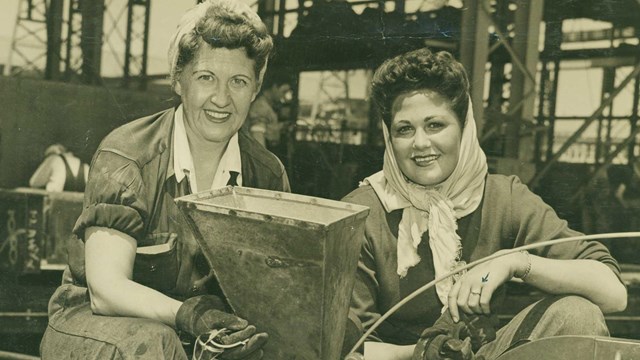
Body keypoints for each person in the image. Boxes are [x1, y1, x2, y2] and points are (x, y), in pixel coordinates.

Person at [40, 1, 290, 359]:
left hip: (197, 337)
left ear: (256, 87)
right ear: (178, 79)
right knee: (156, 341)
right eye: (206, 77)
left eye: (238, 81)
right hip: (93, 327)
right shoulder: (127, 156)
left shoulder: (267, 174)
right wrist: (190, 315)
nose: (221, 98)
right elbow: (106, 290)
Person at [341, 48, 627, 360]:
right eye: (404, 129)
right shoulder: (361, 213)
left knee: (576, 313)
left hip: (484, 355)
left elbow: (613, 294)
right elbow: (348, 345)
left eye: (435, 125)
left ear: (464, 128)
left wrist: (516, 262)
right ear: (389, 137)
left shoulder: (503, 198)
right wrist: (429, 353)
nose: (420, 143)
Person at [242, 71, 292, 149]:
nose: (283, 96)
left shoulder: (267, 104)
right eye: (283, 91)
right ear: (274, 87)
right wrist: (263, 160)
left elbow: (267, 126)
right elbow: (258, 137)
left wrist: (280, 127)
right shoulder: (261, 106)